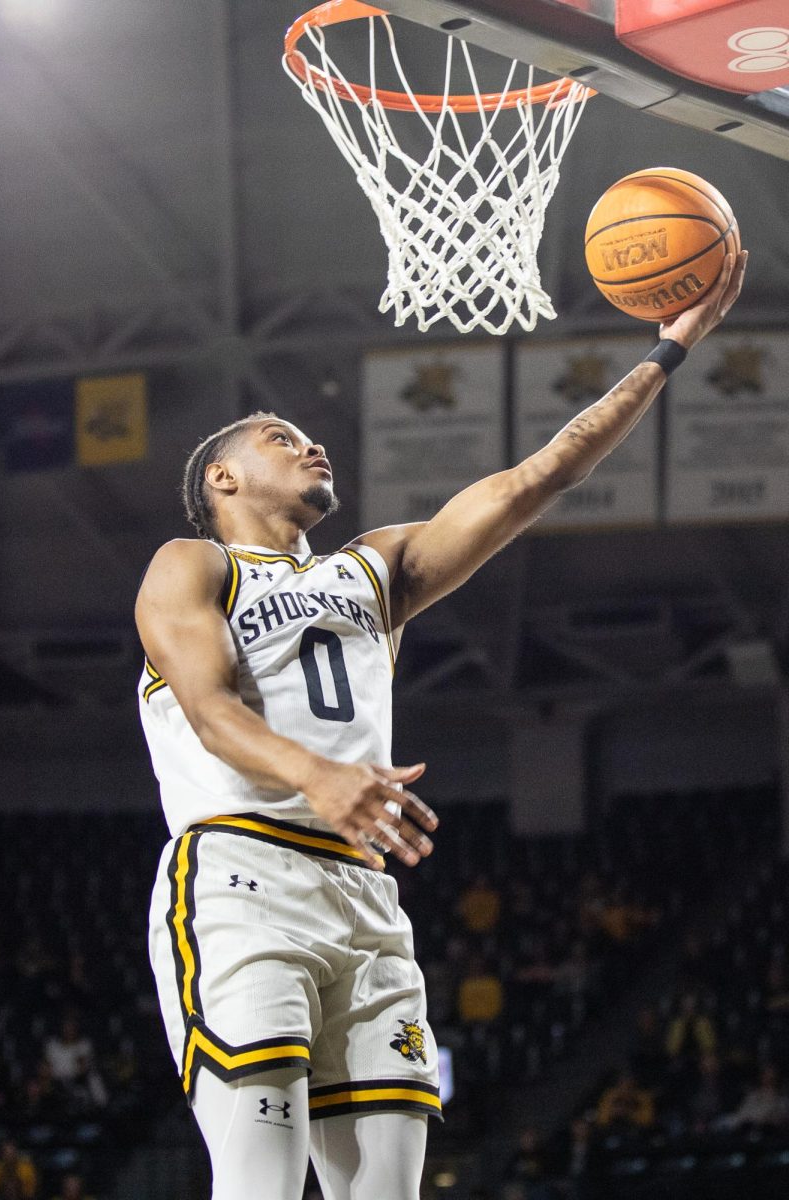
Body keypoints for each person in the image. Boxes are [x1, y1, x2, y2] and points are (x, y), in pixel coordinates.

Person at [135, 252, 746, 1200]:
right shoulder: (192, 566)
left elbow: (540, 475)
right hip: (240, 878)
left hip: (366, 900)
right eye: (279, 436)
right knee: (258, 1179)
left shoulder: (377, 569)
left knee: (389, 1191)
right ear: (221, 476)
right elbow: (210, 712)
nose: (311, 445)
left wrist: (670, 350)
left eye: (308, 436)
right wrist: (321, 776)